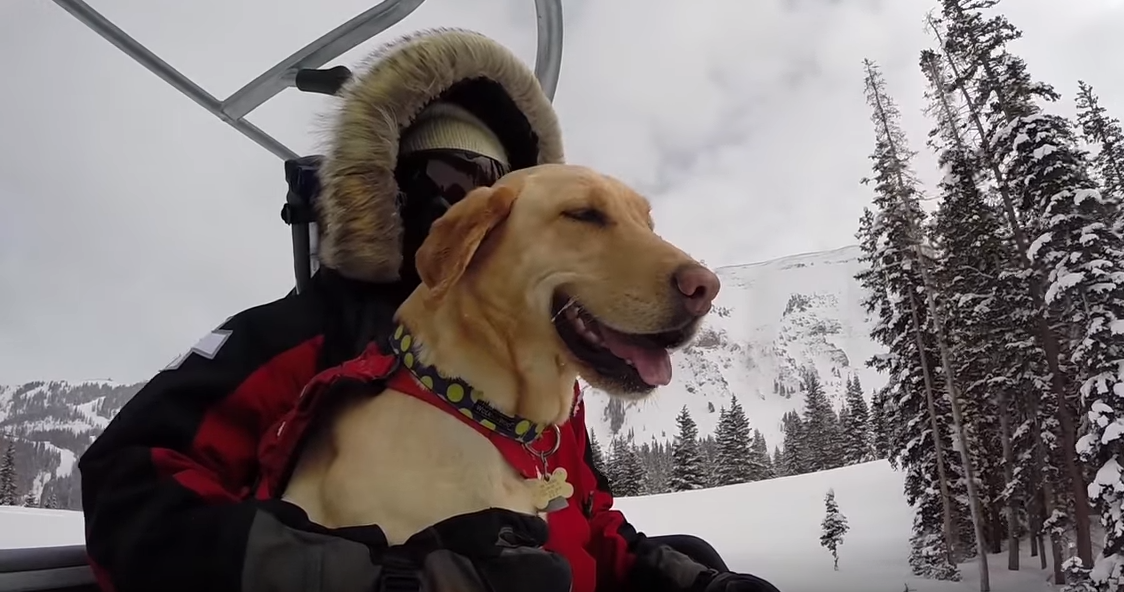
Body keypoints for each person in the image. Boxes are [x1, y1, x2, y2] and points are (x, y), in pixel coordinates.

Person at [79, 28, 781, 592]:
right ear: (389, 186)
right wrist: (372, 576)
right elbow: (130, 488)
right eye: (448, 176)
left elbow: (582, 513)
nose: (470, 203)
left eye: (495, 183)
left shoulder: (548, 362)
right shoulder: (302, 332)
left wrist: (662, 570)